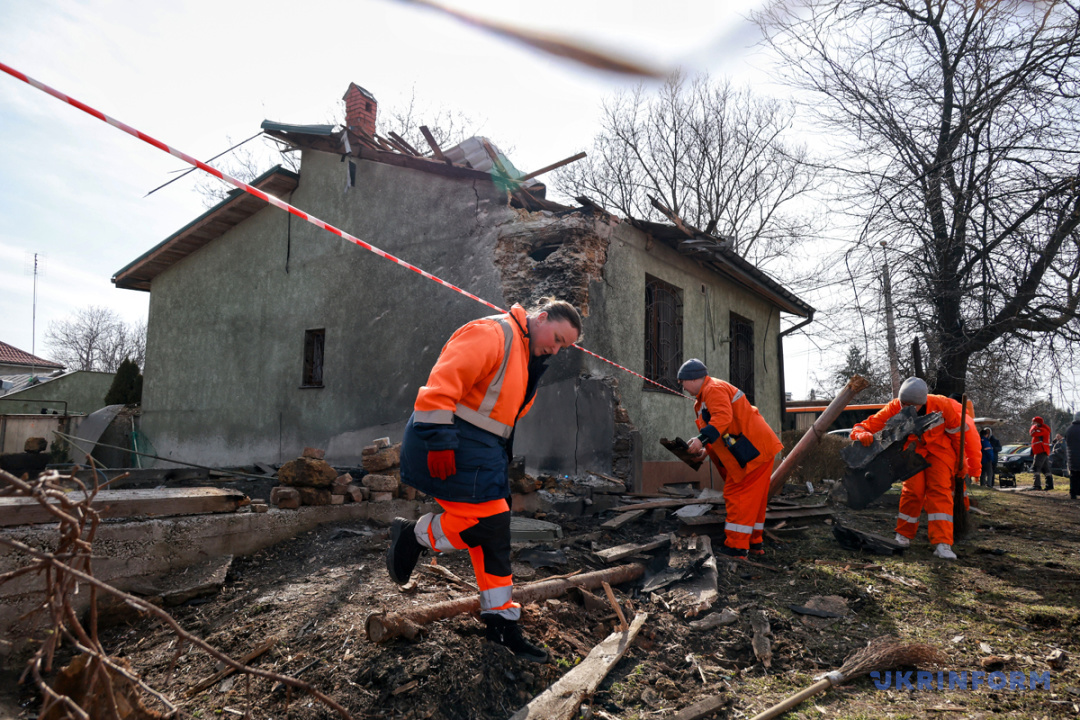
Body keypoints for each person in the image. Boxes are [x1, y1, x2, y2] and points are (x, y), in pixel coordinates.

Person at [385, 297, 582, 663]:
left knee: (492, 536)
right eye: (556, 338)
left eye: (563, 347)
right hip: (449, 444)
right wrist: (440, 440)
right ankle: (415, 536)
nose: (556, 349)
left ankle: (501, 623)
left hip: (481, 452)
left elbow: (500, 414)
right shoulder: (493, 333)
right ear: (540, 318)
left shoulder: (526, 356)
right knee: (487, 526)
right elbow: (442, 383)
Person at [850, 377, 967, 560]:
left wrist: (963, 461)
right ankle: (903, 536)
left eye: (911, 405)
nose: (905, 408)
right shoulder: (894, 407)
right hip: (913, 453)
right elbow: (863, 426)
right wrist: (861, 434)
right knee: (913, 491)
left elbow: (958, 435)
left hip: (941, 453)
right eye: (903, 403)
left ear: (923, 402)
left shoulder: (942, 405)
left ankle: (943, 544)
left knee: (940, 492)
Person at [678, 358, 783, 558]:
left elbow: (722, 418)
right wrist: (705, 450)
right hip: (755, 450)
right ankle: (754, 543)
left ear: (690, 379)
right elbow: (722, 429)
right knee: (755, 501)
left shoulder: (713, 389)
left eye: (682, 382)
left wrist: (701, 440)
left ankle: (736, 548)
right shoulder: (708, 393)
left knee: (738, 496)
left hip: (752, 452)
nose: (682, 387)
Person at [1030, 415, 1052, 490]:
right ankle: (1049, 485)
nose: (1033, 424)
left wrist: (1033, 427)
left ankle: (1037, 485)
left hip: (1041, 450)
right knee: (1045, 469)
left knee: (1036, 467)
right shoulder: (1042, 429)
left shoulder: (1043, 430)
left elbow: (1032, 433)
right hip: (1041, 450)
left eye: (1035, 422)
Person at [1065, 412, 1080, 500]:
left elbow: (1067, 441)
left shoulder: (1069, 429)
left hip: (1072, 457)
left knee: (1074, 475)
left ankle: (1073, 493)